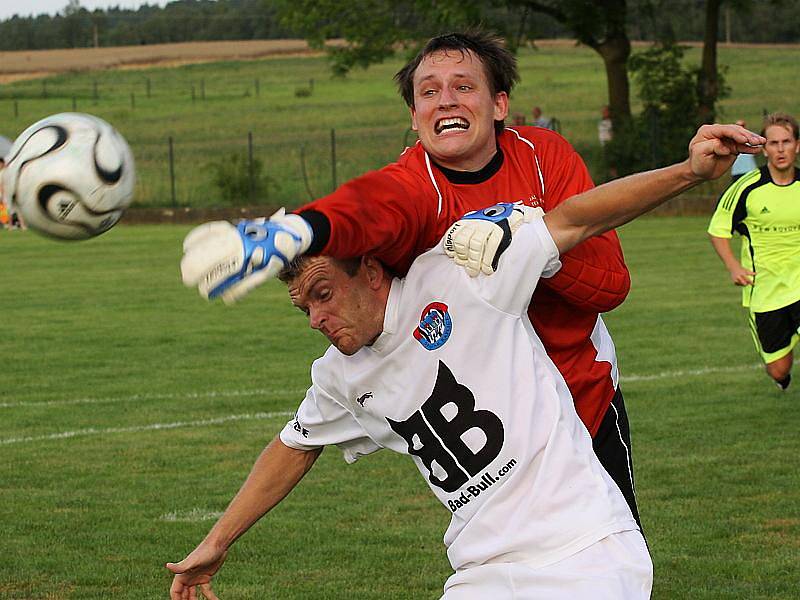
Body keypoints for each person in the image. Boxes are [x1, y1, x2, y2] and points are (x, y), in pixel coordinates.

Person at [181, 32, 759, 529]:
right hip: (492, 435)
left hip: (581, 400)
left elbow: (609, 288)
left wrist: (529, 242)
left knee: (606, 559)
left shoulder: (543, 155)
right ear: (414, 117)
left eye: (463, 86)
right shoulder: (411, 183)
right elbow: (368, 208)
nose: (445, 100)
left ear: (500, 103)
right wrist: (300, 231)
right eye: (428, 92)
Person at [708, 112, 800, 390]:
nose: (781, 149)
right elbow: (718, 230)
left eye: (786, 141)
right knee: (778, 369)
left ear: (797, 145)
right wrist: (733, 266)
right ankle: (784, 370)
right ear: (764, 148)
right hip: (766, 291)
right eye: (774, 143)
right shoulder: (746, 188)